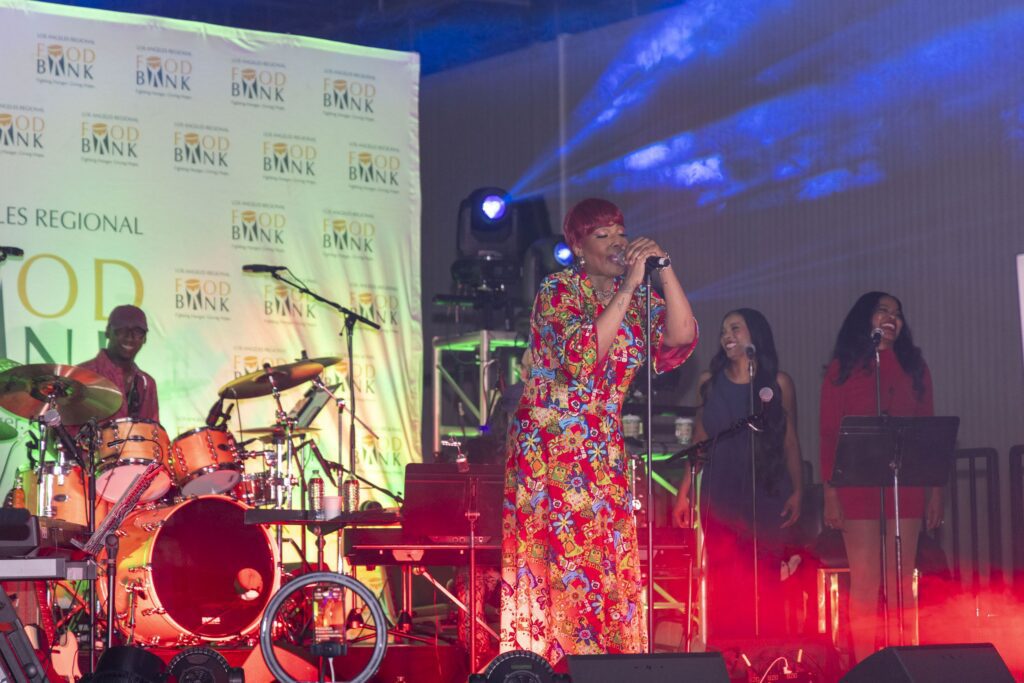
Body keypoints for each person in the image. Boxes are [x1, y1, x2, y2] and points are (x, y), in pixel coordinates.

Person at [499, 198, 698, 668]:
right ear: (580, 248)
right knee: (564, 564)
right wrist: (629, 284)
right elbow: (583, 355)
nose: (617, 242)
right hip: (550, 447)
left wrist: (663, 269)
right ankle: (552, 667)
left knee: (607, 562)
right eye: (602, 235)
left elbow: (682, 337)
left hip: (601, 444)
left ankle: (608, 667)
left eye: (620, 232)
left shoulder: (641, 300)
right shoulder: (558, 290)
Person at [819, 292, 942, 663]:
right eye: (884, 310)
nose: (893, 317)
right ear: (865, 319)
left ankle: (905, 660)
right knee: (866, 583)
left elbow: (929, 433)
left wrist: (935, 491)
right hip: (856, 486)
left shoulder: (915, 367)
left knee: (901, 582)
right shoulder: (842, 369)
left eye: (898, 313)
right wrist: (830, 493)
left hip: (906, 484)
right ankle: (864, 664)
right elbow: (828, 434)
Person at [670, 308, 803, 639]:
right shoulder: (709, 384)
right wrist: (684, 493)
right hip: (721, 489)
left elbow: (790, 441)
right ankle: (728, 655)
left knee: (766, 578)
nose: (726, 336)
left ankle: (768, 656)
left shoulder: (779, 384)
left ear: (755, 336)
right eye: (723, 331)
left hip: (768, 490)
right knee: (725, 577)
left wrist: (799, 489)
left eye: (735, 328)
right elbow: (699, 441)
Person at [79, 304, 159, 421]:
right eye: (122, 329)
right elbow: (64, 432)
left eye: (137, 331)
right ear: (107, 332)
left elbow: (153, 434)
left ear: (145, 338)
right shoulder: (82, 376)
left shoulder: (147, 383)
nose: (129, 336)